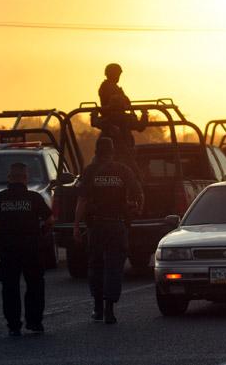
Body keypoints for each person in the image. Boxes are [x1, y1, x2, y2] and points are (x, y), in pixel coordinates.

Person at [73, 137, 144, 324]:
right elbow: (138, 194)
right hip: (117, 225)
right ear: (112, 152)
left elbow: (82, 201)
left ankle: (97, 308)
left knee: (96, 266)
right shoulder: (123, 170)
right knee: (114, 267)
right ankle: (109, 309)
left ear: (96, 152)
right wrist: (134, 212)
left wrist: (75, 226)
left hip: (96, 226)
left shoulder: (90, 171)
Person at [0, 163, 53, 336]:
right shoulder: (34, 198)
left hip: (8, 249)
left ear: (9, 178)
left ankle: (13, 325)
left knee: (10, 288)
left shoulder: (0, 198)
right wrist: (42, 235)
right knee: (35, 286)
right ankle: (34, 322)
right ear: (25, 178)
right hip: (32, 248)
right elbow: (49, 220)